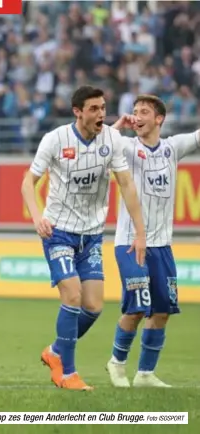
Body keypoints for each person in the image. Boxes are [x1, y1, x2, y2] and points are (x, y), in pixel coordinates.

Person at [21, 85, 147, 391]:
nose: (101, 114)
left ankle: (54, 352)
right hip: (59, 232)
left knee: (93, 306)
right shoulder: (55, 139)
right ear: (77, 112)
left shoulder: (111, 139)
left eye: (103, 107)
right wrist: (38, 218)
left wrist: (140, 231)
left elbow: (127, 184)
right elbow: (28, 182)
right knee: (73, 297)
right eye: (93, 109)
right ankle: (68, 374)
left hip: (91, 235)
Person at [107, 95, 200, 388]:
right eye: (134, 111)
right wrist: (118, 126)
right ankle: (117, 364)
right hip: (130, 242)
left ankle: (145, 373)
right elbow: (102, 142)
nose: (137, 116)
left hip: (162, 245)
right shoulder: (128, 147)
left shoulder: (172, 148)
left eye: (144, 112)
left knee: (161, 311)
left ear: (159, 119)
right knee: (135, 308)